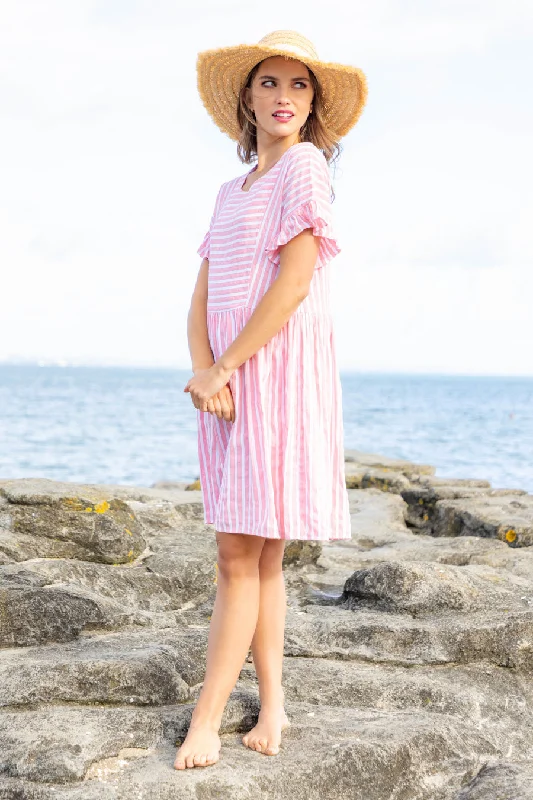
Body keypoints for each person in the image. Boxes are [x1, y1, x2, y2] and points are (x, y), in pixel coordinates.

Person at [175, 30, 367, 770]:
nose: (284, 97)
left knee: (240, 555)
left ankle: (207, 719)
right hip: (226, 376)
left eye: (298, 86)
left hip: (276, 370)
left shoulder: (307, 168)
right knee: (257, 558)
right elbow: (201, 293)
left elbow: (292, 286)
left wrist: (224, 367)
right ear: (246, 99)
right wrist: (205, 370)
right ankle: (275, 705)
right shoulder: (231, 191)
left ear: (313, 105)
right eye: (269, 84)